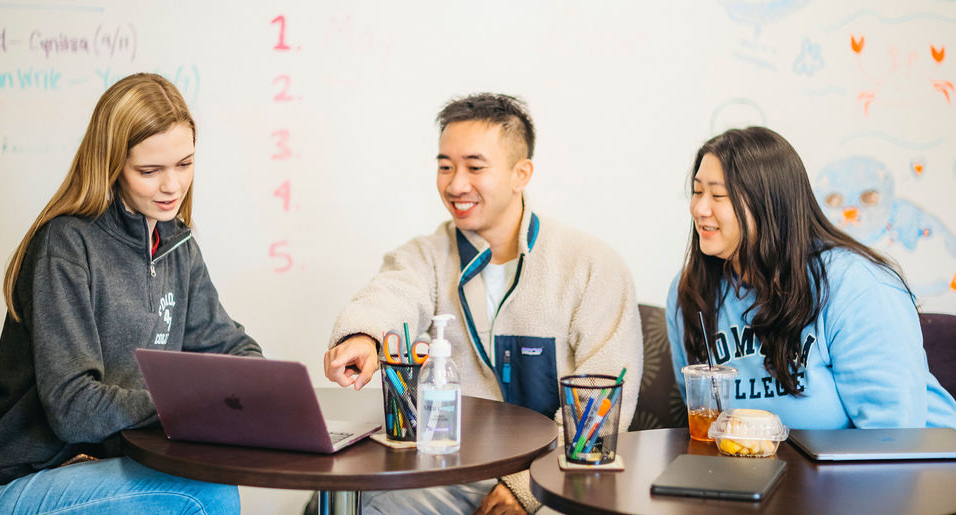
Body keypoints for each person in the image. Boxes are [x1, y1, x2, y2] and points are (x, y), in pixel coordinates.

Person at [323, 93, 642, 514]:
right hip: (453, 473)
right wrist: (363, 335)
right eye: (445, 166)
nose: (456, 185)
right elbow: (392, 292)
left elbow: (603, 401)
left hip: (558, 477)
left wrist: (525, 488)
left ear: (520, 173)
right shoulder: (427, 256)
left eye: (475, 167)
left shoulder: (590, 265)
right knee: (372, 503)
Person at [0, 73, 262, 513]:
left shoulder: (177, 244)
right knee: (208, 494)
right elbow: (74, 408)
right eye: (149, 171)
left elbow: (229, 345)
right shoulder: (65, 246)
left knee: (212, 478)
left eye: (184, 164)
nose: (172, 186)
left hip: (101, 465)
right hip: (28, 478)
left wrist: (257, 389)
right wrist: (193, 405)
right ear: (111, 164)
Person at [666, 126, 956, 429]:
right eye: (698, 191)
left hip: (916, 467)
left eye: (718, 195)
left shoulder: (856, 285)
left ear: (769, 203)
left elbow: (892, 437)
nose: (699, 208)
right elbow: (702, 416)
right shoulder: (689, 291)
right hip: (767, 473)